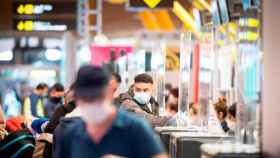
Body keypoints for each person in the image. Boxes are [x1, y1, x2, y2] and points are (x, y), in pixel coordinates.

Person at [53, 65, 167, 158]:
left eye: (97, 97)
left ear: (110, 93)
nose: (91, 104)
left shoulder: (136, 129)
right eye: (85, 98)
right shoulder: (70, 134)